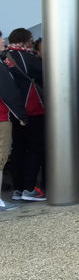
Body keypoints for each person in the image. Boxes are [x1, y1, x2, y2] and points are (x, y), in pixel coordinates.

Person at [5, 28, 46, 202]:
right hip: (32, 109)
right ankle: (30, 188)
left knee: (18, 149)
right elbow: (47, 74)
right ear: (25, 41)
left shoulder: (5, 57)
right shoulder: (28, 57)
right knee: (34, 148)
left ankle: (18, 188)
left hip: (12, 110)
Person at [0, 29, 27, 210]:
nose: (3, 40)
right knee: (0, 159)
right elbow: (9, 92)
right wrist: (21, 115)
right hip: (2, 117)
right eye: (0, 38)